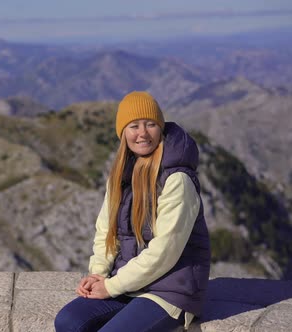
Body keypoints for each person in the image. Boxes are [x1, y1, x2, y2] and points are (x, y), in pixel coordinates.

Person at [54, 91, 210, 332]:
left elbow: (165, 252)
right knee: (68, 322)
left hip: (169, 290)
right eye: (134, 126)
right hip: (127, 282)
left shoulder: (177, 180)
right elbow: (106, 230)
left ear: (161, 128)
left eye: (150, 124)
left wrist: (112, 287)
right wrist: (99, 274)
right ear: (123, 133)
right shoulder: (120, 174)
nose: (142, 133)